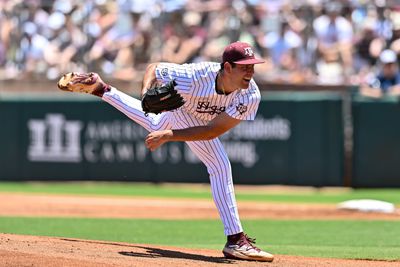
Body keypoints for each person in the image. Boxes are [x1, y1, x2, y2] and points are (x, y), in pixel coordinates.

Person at [57, 41, 274, 262]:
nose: (251, 71)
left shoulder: (250, 95)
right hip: (181, 106)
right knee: (219, 164)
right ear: (227, 67)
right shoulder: (196, 76)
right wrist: (145, 94)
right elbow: (154, 67)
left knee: (158, 126)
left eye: (253, 66)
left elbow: (212, 131)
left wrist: (170, 134)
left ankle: (101, 89)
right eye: (245, 66)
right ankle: (235, 240)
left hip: (201, 123)